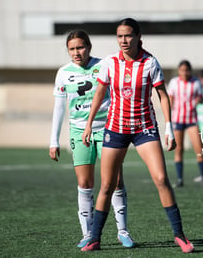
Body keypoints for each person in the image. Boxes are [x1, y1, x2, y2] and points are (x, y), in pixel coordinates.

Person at [81, 18, 194, 253]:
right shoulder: (110, 63)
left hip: (145, 129)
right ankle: (94, 238)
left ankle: (179, 236)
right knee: (107, 186)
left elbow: (163, 95)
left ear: (138, 37)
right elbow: (100, 93)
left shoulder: (150, 62)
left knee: (161, 179)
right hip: (115, 129)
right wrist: (89, 124)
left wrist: (169, 127)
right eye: (120, 36)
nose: (124, 40)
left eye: (128, 35)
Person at [49, 30, 134, 248]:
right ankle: (88, 234)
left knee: (115, 181)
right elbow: (59, 108)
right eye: (71, 49)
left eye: (80, 47)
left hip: (109, 129)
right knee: (85, 183)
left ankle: (123, 231)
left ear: (89, 47)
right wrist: (54, 140)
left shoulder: (104, 65)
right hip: (79, 132)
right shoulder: (63, 73)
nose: (76, 53)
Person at [167, 60, 203, 187]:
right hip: (177, 120)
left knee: (199, 149)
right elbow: (170, 100)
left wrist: (199, 100)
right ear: (179, 71)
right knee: (179, 149)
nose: (185, 72)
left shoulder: (196, 82)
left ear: (190, 71)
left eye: (187, 70)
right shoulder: (174, 82)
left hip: (192, 120)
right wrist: (168, 120)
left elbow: (202, 98)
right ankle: (179, 180)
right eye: (182, 70)